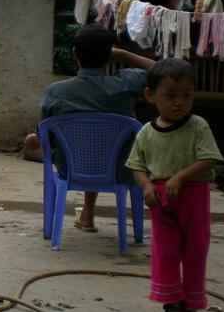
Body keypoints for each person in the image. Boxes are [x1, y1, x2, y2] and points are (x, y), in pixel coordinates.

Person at [24, 24, 155, 230]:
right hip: (121, 169)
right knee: (101, 147)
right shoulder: (125, 84)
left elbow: (45, 138)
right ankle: (87, 215)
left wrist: (35, 137)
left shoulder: (56, 92)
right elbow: (165, 70)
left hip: (71, 168)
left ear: (75, 53)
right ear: (108, 55)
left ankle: (86, 215)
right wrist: (122, 53)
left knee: (86, 148)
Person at [126, 58, 223, 312]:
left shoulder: (198, 126)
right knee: (165, 253)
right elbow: (136, 166)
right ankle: (170, 305)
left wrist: (181, 176)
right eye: (170, 96)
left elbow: (209, 159)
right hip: (161, 201)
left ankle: (190, 306)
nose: (179, 102)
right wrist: (146, 186)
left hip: (193, 198)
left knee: (194, 252)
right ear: (150, 96)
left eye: (186, 95)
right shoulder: (146, 132)